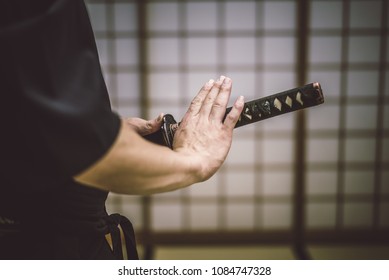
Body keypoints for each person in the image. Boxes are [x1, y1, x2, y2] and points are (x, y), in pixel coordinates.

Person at [0, 0, 244, 259]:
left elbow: (24, 112)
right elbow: (82, 155)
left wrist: (102, 130)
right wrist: (196, 161)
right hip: (43, 250)